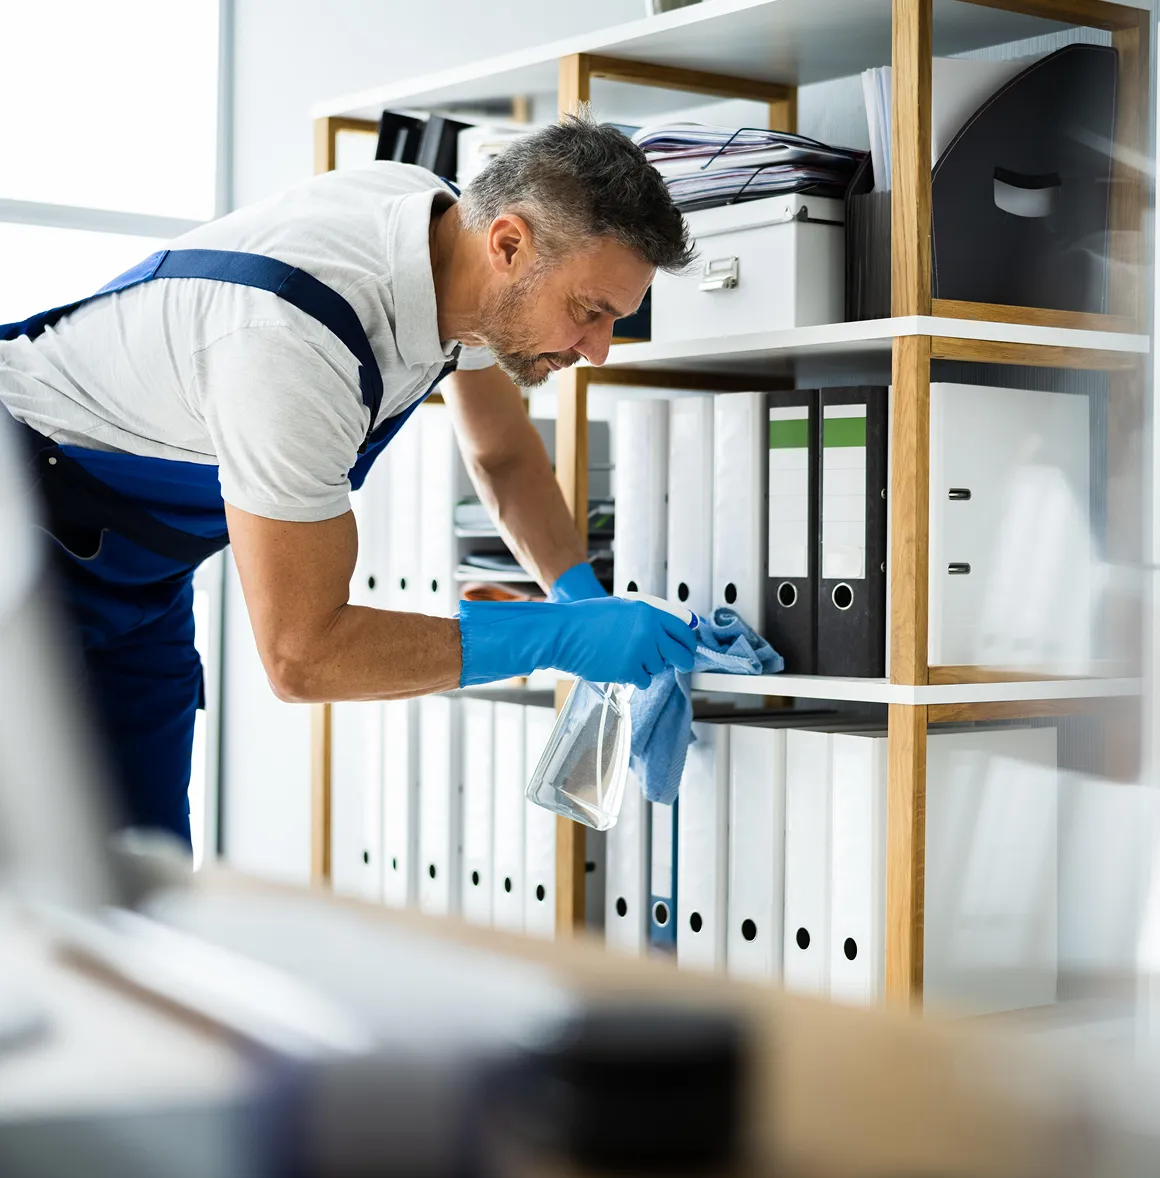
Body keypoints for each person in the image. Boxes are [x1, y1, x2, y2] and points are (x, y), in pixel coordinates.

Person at [0, 110, 698, 845]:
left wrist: (576, 590)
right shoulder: (292, 343)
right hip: (21, 525)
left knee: (144, 869)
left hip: (139, 568)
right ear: (510, 244)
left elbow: (503, 457)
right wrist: (553, 638)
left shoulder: (454, 247)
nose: (599, 351)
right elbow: (302, 655)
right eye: (590, 313)